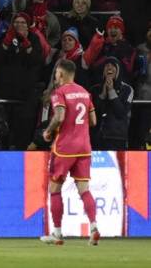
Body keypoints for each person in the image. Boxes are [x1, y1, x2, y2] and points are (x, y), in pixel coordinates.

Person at [40, 59, 100, 246]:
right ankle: (94, 227)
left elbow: (60, 116)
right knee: (84, 189)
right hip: (84, 147)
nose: (55, 77)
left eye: (57, 74)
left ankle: (57, 234)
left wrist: (49, 131)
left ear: (62, 74)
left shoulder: (60, 93)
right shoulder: (84, 92)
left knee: (54, 188)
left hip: (65, 148)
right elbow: (93, 121)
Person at [0, 13, 44, 150]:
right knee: (4, 128)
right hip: (5, 93)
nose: (19, 25)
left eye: (22, 22)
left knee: (23, 129)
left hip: (25, 95)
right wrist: (5, 44)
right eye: (16, 22)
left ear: (28, 26)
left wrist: (28, 47)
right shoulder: (5, 38)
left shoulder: (34, 39)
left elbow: (37, 62)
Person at [90, 57, 133, 150]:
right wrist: (102, 95)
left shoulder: (127, 89)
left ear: (118, 70)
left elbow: (121, 113)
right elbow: (94, 113)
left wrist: (111, 91)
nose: (109, 67)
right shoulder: (95, 89)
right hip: (97, 137)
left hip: (117, 138)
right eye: (107, 65)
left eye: (113, 65)